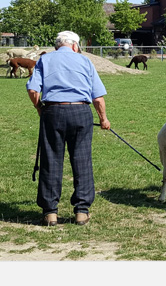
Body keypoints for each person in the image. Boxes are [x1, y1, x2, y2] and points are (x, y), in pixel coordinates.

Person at [26, 31, 110, 226]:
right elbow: (98, 98)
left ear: (58, 45)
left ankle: (50, 213)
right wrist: (104, 119)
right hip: (81, 112)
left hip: (53, 112)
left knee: (51, 160)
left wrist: (40, 109)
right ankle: (81, 211)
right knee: (82, 160)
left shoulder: (45, 60)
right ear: (75, 45)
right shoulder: (85, 61)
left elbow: (32, 90)